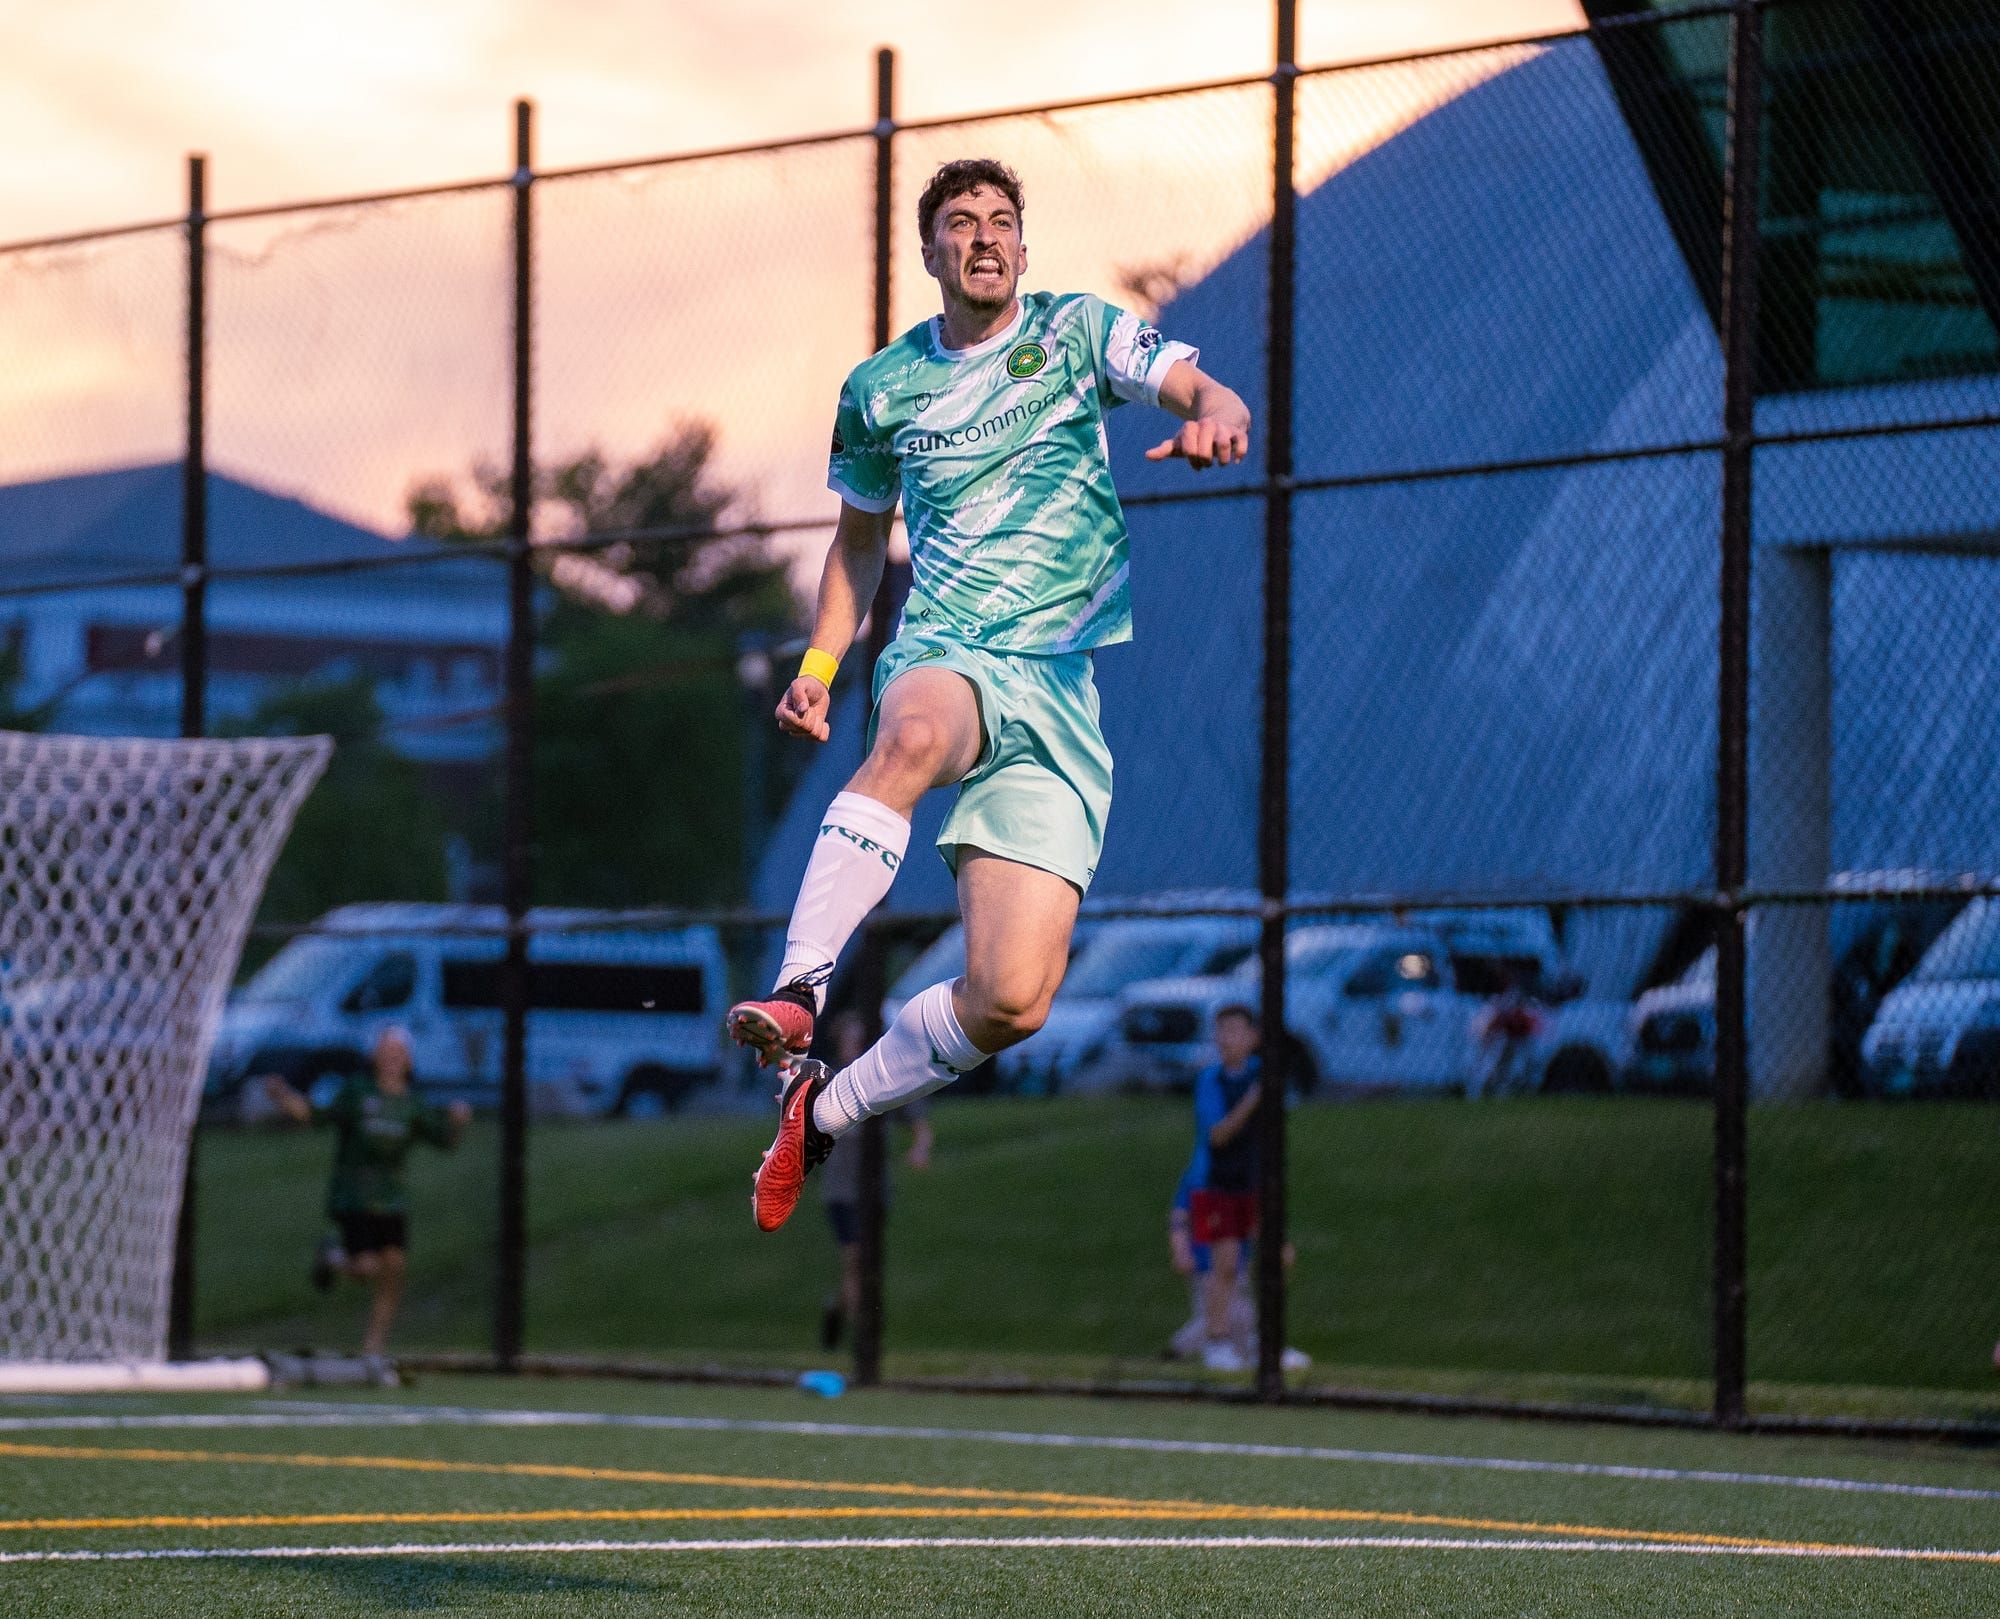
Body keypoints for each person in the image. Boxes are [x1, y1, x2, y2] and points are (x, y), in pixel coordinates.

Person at [726, 156, 1254, 1231]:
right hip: (947, 645)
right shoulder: (880, 388)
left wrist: (1216, 414)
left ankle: (819, 1113)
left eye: (1001, 221)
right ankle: (800, 990)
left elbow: (1203, 385)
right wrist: (820, 671)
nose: (982, 237)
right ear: (928, 252)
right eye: (959, 223)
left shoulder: (1073, 333)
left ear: (1023, 242)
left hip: (1056, 690)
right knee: (913, 730)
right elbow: (860, 544)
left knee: (1011, 997)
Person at [263, 1026, 469, 1362]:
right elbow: (315, 1115)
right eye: (385, 1052)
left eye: (397, 1054)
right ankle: (330, 1256)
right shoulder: (357, 1093)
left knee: (394, 1266)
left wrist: (458, 1120)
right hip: (354, 1196)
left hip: (392, 1200)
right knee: (366, 1268)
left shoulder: (412, 1104)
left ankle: (373, 1346)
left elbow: (445, 1140)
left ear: (408, 1061)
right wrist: (284, 1096)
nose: (391, 1060)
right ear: (374, 1057)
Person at [815, 1009, 934, 1350]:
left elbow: (919, 1126)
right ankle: (863, 1344)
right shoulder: (827, 1082)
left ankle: (836, 1309)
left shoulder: (883, 1080)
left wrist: (919, 1150)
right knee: (855, 1260)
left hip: (875, 1189)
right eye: (849, 1039)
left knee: (862, 1263)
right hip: (840, 1191)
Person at [1188, 1003, 1265, 1371]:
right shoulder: (1211, 1080)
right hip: (1220, 1185)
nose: (1226, 1039)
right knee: (1225, 1265)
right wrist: (1252, 1102)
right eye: (1221, 1031)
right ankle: (1217, 1341)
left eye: (1235, 1031)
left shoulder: (1262, 1075)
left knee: (1263, 1263)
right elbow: (1217, 1134)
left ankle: (1257, 1342)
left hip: (1255, 1183)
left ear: (1253, 1038)